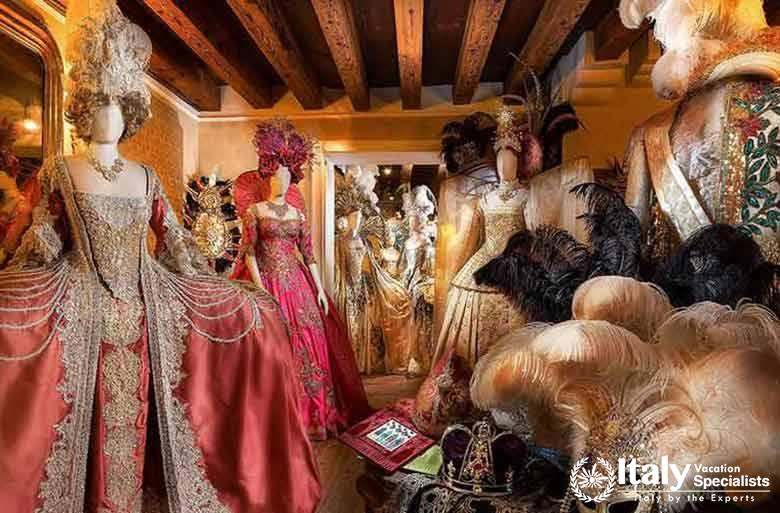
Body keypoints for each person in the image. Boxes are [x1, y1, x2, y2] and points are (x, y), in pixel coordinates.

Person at [0, 4, 321, 512]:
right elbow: (45, 237)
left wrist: (215, 280)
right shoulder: (62, 170)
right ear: (84, 106)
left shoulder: (147, 176)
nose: (107, 112)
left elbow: (174, 241)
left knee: (255, 314)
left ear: (129, 109)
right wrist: (21, 271)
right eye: (98, 100)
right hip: (78, 287)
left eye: (116, 101)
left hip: (149, 288)